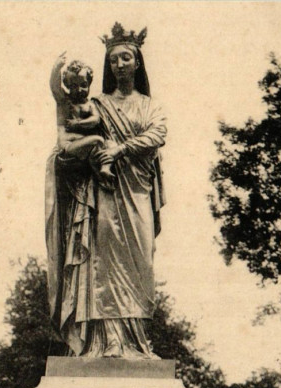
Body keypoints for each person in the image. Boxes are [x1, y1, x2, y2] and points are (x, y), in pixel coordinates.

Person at [46, 23, 167, 357]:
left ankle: (138, 342)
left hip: (137, 192)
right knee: (105, 264)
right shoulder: (97, 104)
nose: (119, 64)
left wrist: (119, 150)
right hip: (105, 194)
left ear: (137, 62)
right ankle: (107, 340)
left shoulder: (150, 106)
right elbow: (68, 140)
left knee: (141, 262)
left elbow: (157, 134)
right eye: (113, 60)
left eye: (126, 58)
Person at [49, 53, 114, 190]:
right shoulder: (65, 102)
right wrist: (56, 68)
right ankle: (102, 172)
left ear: (89, 84)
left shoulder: (90, 105)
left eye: (83, 85)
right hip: (67, 146)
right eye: (73, 86)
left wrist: (77, 123)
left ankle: (104, 171)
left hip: (83, 144)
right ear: (67, 86)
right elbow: (55, 87)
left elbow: (96, 119)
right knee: (98, 141)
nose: (79, 90)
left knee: (110, 144)